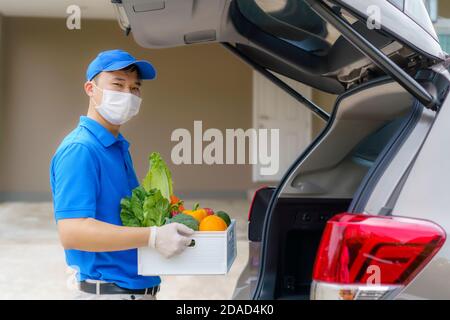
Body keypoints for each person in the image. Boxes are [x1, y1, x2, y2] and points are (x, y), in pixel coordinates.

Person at [49, 49, 194, 300]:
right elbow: (72, 232)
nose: (128, 94)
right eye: (118, 84)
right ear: (90, 89)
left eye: (135, 88)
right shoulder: (81, 149)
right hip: (109, 292)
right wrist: (153, 236)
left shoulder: (116, 147)